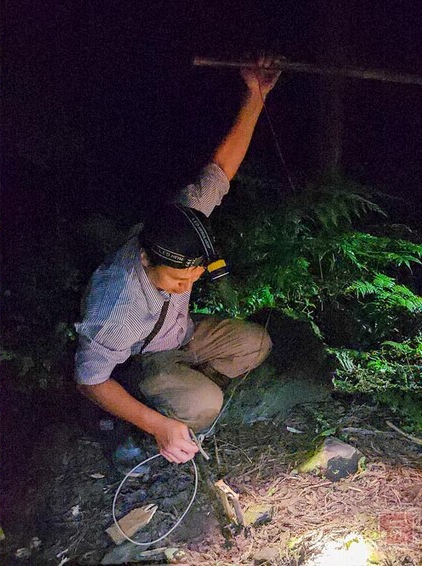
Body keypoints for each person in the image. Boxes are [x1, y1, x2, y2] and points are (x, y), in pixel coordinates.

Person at [74, 60, 280, 471]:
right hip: (141, 358)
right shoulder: (118, 306)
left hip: (182, 334)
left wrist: (255, 96)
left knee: (258, 343)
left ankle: (185, 385)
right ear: (146, 257)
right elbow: (89, 380)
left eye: (193, 278)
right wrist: (158, 425)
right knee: (205, 405)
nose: (185, 287)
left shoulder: (182, 221)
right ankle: (151, 410)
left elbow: (220, 171)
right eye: (176, 279)